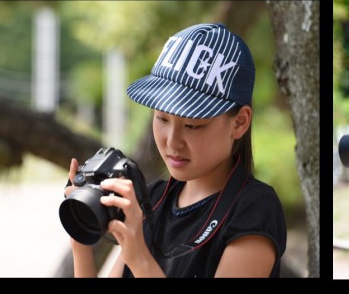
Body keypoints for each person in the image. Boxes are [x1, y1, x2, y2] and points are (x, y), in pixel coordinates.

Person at [63, 23, 286, 276]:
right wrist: (80, 235)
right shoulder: (153, 199)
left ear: (239, 122)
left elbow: (140, 261)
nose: (172, 141)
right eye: (162, 118)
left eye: (192, 125)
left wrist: (139, 258)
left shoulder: (254, 207)